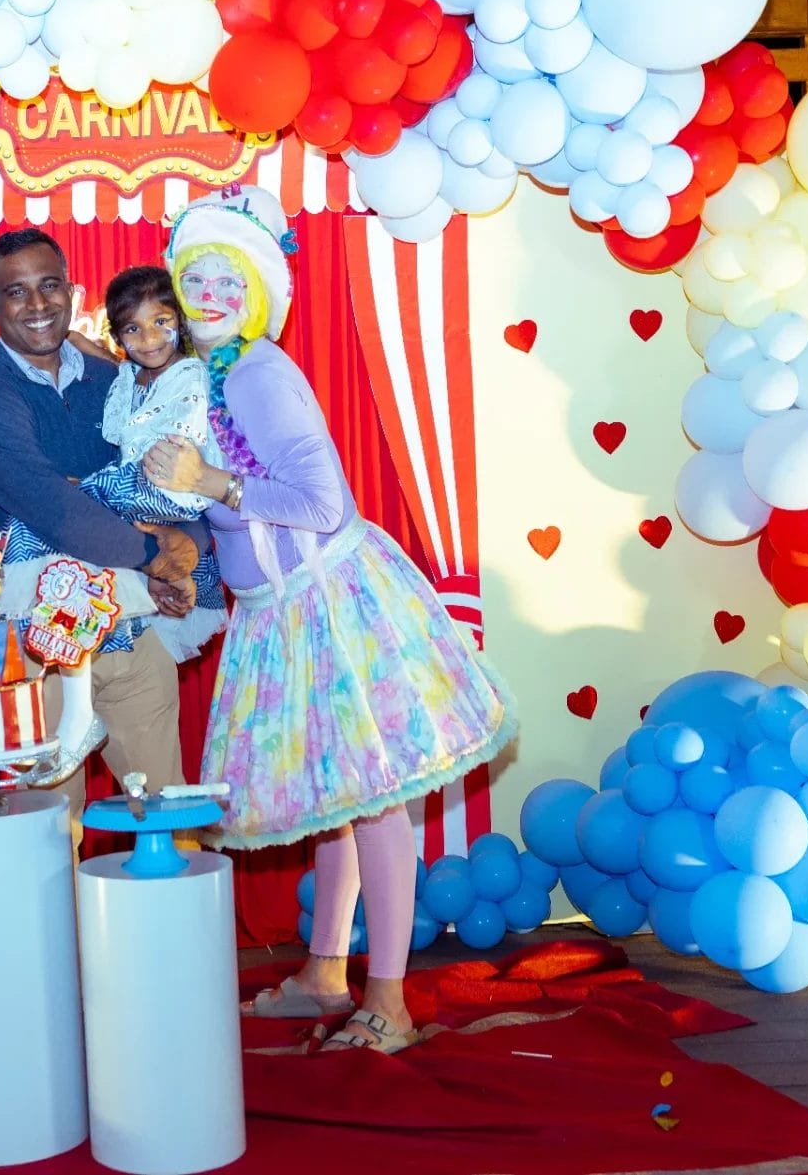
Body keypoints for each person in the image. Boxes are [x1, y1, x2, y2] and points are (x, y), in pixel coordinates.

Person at [142, 187, 516, 1053]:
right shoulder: (214, 375)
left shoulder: (262, 371)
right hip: (277, 611)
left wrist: (215, 485)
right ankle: (325, 973)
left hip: (331, 607)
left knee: (375, 795)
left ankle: (389, 997)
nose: (206, 294)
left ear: (255, 289)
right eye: (192, 275)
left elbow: (318, 501)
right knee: (338, 798)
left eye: (224, 278)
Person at [0, 229, 207, 813]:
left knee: (167, 818)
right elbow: (53, 508)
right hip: (38, 649)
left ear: (72, 290)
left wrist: (188, 543)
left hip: (131, 632)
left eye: (49, 286)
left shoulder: (119, 378)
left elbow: (178, 471)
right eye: (16, 292)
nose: (38, 306)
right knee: (46, 842)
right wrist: (156, 556)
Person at [6, 265, 226, 663]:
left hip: (167, 484)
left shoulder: (190, 375)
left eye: (162, 322)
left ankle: (46, 624)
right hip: (142, 488)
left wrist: (87, 488)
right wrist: (79, 340)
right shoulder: (132, 374)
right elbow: (116, 365)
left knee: (55, 514)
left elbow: (158, 449)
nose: (151, 339)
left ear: (181, 321)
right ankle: (84, 633)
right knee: (78, 534)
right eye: (133, 330)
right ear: (119, 335)